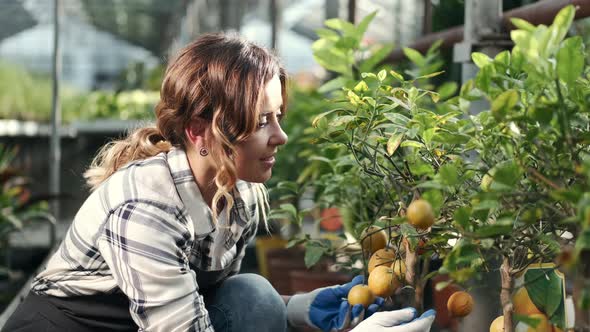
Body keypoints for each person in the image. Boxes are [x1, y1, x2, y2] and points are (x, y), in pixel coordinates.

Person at [1, 33, 435, 332]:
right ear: (198, 131)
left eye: (277, 116)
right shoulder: (145, 212)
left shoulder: (238, 196)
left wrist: (296, 311)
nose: (280, 136)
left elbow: (209, 302)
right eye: (262, 121)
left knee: (253, 296)